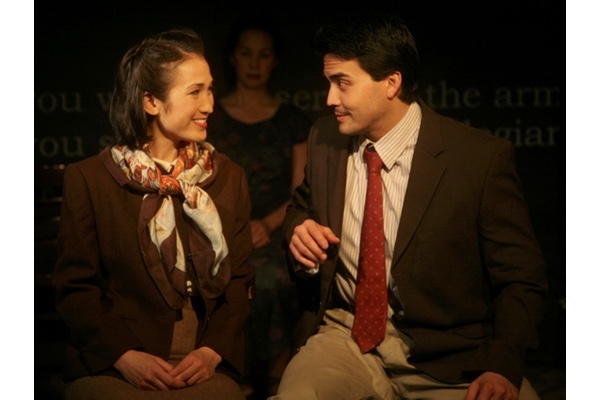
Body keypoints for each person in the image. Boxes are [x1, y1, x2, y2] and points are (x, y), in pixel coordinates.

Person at [270, 11, 548, 400]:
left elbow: (521, 278)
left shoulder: (478, 159)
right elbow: (301, 208)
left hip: (448, 354)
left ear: (391, 82)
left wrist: (502, 365)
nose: (330, 98)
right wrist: (298, 228)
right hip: (344, 335)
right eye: (329, 83)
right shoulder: (325, 138)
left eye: (342, 83)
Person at [52, 28, 254, 400]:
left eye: (210, 90)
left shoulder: (228, 177)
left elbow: (239, 282)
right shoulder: (92, 179)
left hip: (201, 364)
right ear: (151, 101)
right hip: (115, 362)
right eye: (195, 92)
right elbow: (76, 290)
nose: (209, 105)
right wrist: (125, 356)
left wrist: (211, 352)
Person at [208, 14, 311, 398]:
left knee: (275, 278)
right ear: (232, 57)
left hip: (275, 229)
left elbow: (302, 190)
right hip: (218, 231)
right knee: (228, 277)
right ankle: (237, 377)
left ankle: (277, 379)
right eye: (245, 53)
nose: (254, 63)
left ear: (275, 61)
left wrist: (268, 225)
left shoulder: (292, 120)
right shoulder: (209, 118)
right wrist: (234, 230)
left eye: (263, 55)